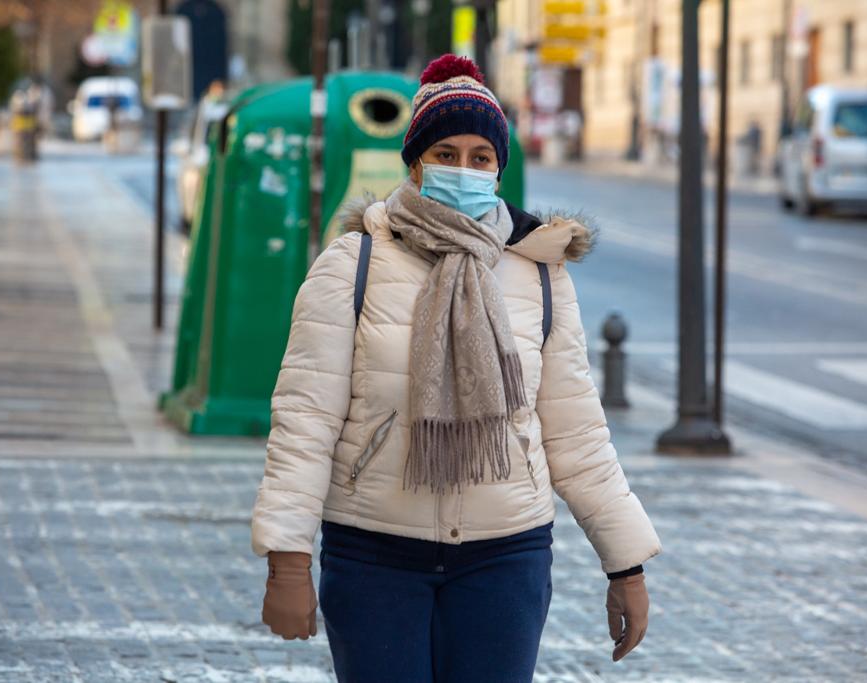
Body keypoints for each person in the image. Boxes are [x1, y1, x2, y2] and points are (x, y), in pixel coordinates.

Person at [250, 54, 661, 683]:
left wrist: (625, 565)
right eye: (445, 153)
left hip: (507, 557)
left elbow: (577, 434)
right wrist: (287, 559)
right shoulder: (352, 265)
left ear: (498, 168)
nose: (462, 169)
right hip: (374, 554)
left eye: (479, 156)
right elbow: (305, 420)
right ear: (415, 163)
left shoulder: (539, 276)